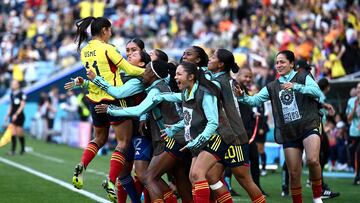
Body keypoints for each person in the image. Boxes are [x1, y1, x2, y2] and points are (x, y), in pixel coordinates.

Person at [235, 50, 333, 203]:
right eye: (277, 62)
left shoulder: (303, 76)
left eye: (282, 62)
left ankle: (317, 197)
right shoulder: (272, 86)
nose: (278, 65)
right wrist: (242, 96)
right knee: (294, 173)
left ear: (292, 64)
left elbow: (317, 92)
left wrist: (296, 87)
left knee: (313, 160)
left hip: (308, 125)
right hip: (289, 132)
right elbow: (254, 101)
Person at [95, 60, 192, 202]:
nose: (143, 73)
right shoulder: (162, 86)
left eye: (146, 70)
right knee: (180, 178)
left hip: (171, 139)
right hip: (180, 138)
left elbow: (138, 109)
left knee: (149, 177)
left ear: (152, 73)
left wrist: (111, 109)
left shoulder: (156, 89)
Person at [71, 16, 144, 202]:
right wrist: (153, 71)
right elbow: (129, 69)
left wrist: (82, 83)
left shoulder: (85, 50)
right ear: (104, 30)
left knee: (99, 138)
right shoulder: (108, 48)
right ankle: (111, 180)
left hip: (93, 100)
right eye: (109, 30)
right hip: (113, 98)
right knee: (123, 142)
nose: (111, 33)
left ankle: (82, 164)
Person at [236, 67, 267, 195]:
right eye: (246, 76)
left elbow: (244, 110)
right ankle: (227, 187)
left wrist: (252, 115)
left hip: (248, 134)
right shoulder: (235, 89)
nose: (248, 79)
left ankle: (257, 186)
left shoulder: (246, 92)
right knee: (230, 163)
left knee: (254, 158)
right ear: (238, 76)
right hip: (236, 134)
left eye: (250, 77)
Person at [5, 80, 26, 155]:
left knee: (19, 133)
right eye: (12, 84)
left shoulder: (22, 94)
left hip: (19, 116)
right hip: (12, 115)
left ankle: (23, 149)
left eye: (14, 84)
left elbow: (22, 105)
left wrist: (16, 114)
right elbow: (11, 105)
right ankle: (13, 151)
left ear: (18, 85)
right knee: (13, 133)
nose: (12, 85)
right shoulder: (11, 94)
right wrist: (8, 114)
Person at [346, 82, 360, 185]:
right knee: (355, 155)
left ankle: (357, 176)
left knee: (359, 153)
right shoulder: (351, 101)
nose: (359, 90)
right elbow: (349, 119)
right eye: (358, 88)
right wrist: (355, 107)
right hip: (354, 132)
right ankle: (357, 175)